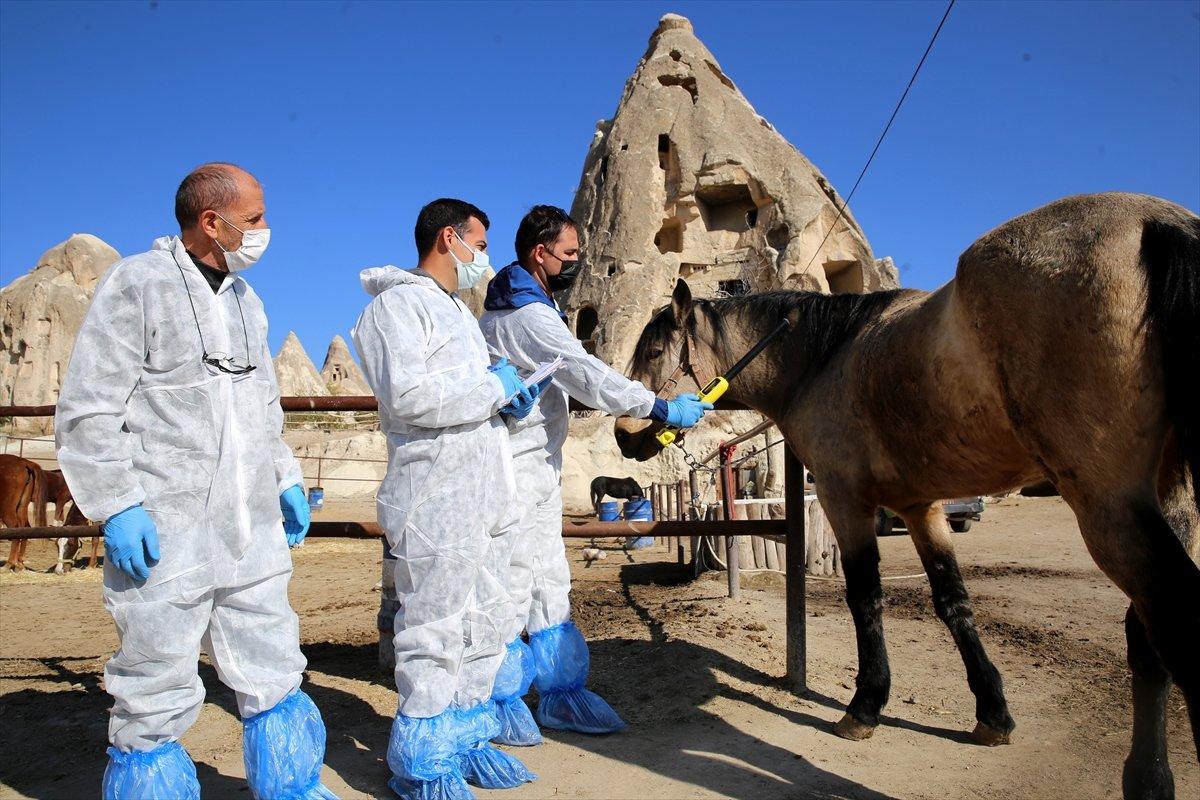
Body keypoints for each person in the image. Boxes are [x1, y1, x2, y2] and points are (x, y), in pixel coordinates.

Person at [55, 163, 337, 800]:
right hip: (167, 528)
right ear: (213, 221)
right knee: (155, 670)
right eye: (256, 217)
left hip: (251, 527)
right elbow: (90, 406)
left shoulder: (245, 301)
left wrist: (285, 477)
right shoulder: (140, 284)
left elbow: (262, 404)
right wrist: (118, 503)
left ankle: (288, 786)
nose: (266, 229)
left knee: (272, 655)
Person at [479, 205, 711, 744]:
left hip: (536, 462)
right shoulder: (526, 315)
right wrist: (658, 406)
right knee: (514, 580)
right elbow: (585, 374)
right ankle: (501, 700)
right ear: (540, 253)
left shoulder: (522, 305)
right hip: (513, 465)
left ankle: (557, 695)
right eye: (570, 255)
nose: (577, 264)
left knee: (545, 576)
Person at [351, 198, 547, 800]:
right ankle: (423, 758)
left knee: (484, 617)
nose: (483, 258)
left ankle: (464, 737)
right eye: (479, 245)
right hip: (433, 495)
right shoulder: (394, 307)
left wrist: (509, 398)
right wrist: (492, 384)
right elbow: (407, 396)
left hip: (481, 490)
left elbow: (468, 393)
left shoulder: (458, 313)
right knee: (431, 624)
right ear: (448, 239)